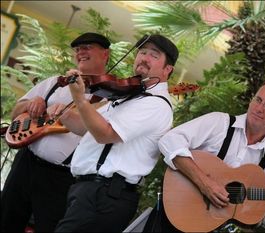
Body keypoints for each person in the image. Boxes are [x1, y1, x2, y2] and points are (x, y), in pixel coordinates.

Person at [157, 80, 265, 232]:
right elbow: (170, 140)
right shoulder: (219, 124)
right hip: (174, 214)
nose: (259, 108)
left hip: (211, 227)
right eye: (258, 100)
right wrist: (205, 183)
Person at [54, 34, 178, 232]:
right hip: (88, 191)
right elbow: (88, 129)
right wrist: (66, 115)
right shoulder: (128, 95)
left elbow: (105, 134)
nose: (144, 58)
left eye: (154, 55)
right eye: (142, 52)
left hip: (106, 194)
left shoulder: (156, 104)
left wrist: (80, 100)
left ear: (167, 69)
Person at [0, 32, 110, 232]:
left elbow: (99, 134)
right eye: (77, 49)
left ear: (105, 55)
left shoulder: (108, 98)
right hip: (25, 163)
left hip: (60, 177)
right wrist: (33, 103)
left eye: (87, 47)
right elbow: (16, 111)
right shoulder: (55, 82)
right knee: (4, 220)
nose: (81, 52)